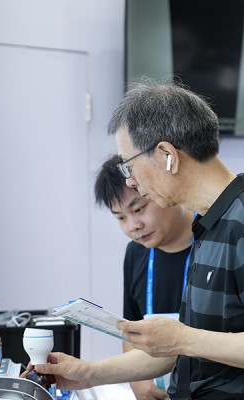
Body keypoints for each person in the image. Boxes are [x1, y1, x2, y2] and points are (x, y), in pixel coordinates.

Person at [25, 81, 244, 399]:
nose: (130, 181)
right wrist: (88, 374)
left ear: (167, 156)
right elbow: (185, 350)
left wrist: (183, 338)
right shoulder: (209, 224)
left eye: (129, 166)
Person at [94, 154, 194, 400]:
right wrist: (138, 382)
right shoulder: (136, 253)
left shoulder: (214, 242)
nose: (133, 226)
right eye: (120, 217)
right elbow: (131, 328)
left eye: (139, 209)